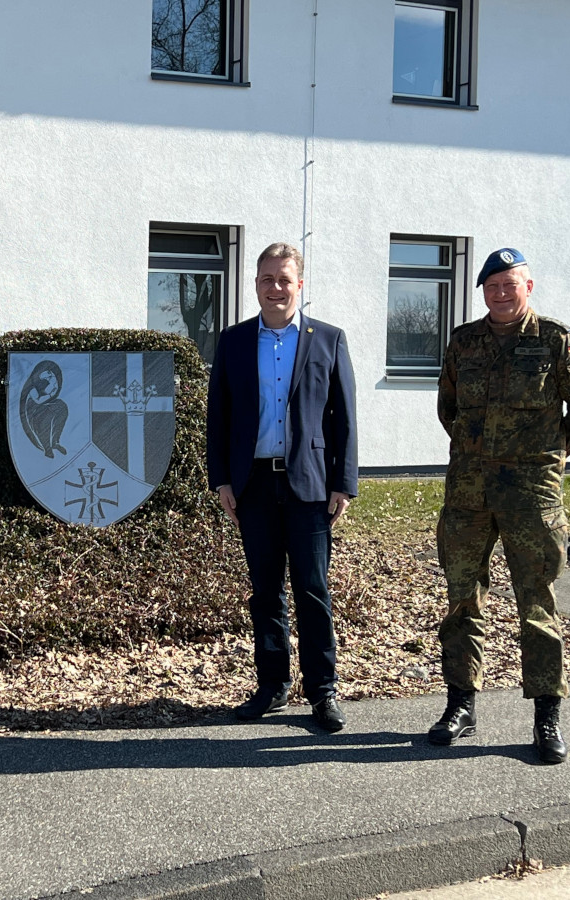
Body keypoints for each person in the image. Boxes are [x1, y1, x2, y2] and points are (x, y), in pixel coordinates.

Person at [430, 248, 570, 764]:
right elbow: (448, 408)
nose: (500, 294)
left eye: (510, 284)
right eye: (492, 286)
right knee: (463, 600)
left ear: (529, 287)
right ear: (482, 291)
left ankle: (546, 716)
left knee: (538, 603)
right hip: (469, 496)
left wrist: (546, 458)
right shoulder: (464, 342)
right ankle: (461, 705)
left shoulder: (554, 339)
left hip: (532, 498)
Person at [206, 241, 358, 732]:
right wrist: (222, 479)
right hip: (251, 486)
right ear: (255, 285)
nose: (276, 288)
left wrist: (343, 482)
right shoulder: (232, 342)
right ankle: (272, 687)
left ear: (300, 284)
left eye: (284, 279)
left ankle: (323, 692)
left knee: (312, 590)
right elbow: (219, 417)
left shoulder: (327, 340)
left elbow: (344, 419)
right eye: (267, 279)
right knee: (266, 591)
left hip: (309, 487)